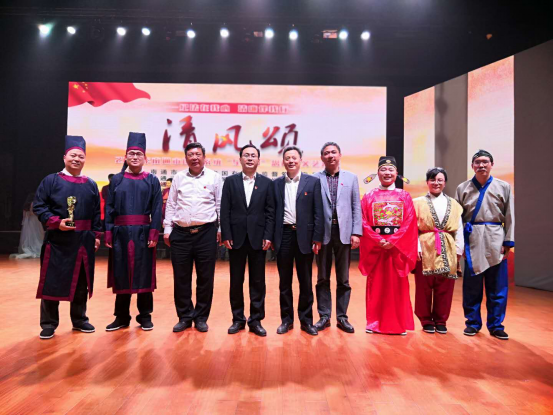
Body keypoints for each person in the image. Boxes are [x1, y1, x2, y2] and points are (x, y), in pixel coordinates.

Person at [33, 135, 102, 339]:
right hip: (58, 241)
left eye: (80, 156)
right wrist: (56, 222)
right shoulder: (51, 180)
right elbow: (39, 206)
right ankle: (48, 323)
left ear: (85, 159)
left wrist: (96, 235)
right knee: (52, 281)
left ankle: (80, 320)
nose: (76, 159)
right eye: (73, 155)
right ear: (64, 157)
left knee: (81, 282)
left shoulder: (90, 184)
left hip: (83, 240)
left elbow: (96, 213)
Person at [104, 132, 162, 332]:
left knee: (144, 273)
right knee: (121, 273)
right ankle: (121, 317)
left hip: (143, 233)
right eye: (132, 154)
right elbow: (109, 208)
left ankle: (145, 316)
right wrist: (108, 231)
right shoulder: (117, 180)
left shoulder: (152, 180)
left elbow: (157, 209)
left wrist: (154, 233)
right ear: (125, 157)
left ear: (145, 158)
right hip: (120, 233)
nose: (135, 157)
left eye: (139, 154)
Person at [455, 150, 514, 340]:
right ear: (472, 166)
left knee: (497, 286)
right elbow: (457, 219)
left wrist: (507, 242)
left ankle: (496, 325)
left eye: (485, 162)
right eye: (477, 162)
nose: (481, 165)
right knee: (472, 287)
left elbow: (510, 215)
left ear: (491, 164)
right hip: (472, 239)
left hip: (495, 238)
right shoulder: (463, 188)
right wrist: (460, 244)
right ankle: (472, 323)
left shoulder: (503, 186)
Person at [164, 142, 222, 333]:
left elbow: (220, 205)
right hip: (181, 234)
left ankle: (201, 318)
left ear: (204, 157)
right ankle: (185, 316)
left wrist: (221, 229)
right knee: (181, 278)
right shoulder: (179, 178)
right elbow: (171, 204)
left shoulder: (214, 177)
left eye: (198, 154)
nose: (195, 158)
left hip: (206, 233)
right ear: (186, 158)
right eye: (191, 154)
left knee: (205, 278)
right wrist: (167, 229)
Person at [220, 144, 275, 337]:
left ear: (259, 160)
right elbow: (224, 210)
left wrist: (268, 235)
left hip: (258, 239)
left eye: (253, 155)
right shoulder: (230, 182)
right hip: (236, 239)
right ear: (240, 159)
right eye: (246, 155)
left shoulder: (267, 183)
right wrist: (226, 235)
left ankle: (256, 320)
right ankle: (237, 319)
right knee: (236, 281)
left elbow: (270, 212)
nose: (250, 158)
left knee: (258, 281)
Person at [359, 156, 417, 335]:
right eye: (383, 169)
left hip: (396, 249)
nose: (387, 173)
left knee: (397, 287)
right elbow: (363, 221)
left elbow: (409, 222)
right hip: (376, 249)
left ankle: (397, 324)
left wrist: (393, 240)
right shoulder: (369, 196)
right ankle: (373, 323)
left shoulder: (404, 196)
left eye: (391, 170)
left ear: (397, 173)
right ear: (378, 173)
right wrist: (378, 239)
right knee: (376, 286)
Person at [273, 146, 323, 336]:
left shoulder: (313, 182)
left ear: (301, 160)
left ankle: (306, 320)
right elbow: (272, 212)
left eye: (294, 158)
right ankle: (286, 320)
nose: (291, 161)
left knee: (305, 281)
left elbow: (318, 212)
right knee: (284, 282)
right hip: (284, 235)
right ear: (283, 162)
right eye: (287, 158)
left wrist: (317, 238)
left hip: (305, 237)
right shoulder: (276, 184)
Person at [313, 142, 362, 333]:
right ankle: (324, 316)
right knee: (322, 277)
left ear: (340, 155)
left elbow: (356, 206)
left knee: (343, 278)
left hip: (344, 233)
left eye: (333, 152)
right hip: (322, 234)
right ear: (322, 158)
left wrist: (356, 232)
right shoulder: (315, 178)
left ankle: (342, 317)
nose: (330, 155)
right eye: (326, 153)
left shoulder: (351, 178)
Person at [413, 167, 464, 334]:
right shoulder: (417, 203)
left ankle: (441, 320)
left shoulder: (454, 205)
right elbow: (412, 228)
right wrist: (416, 247)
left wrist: (458, 249)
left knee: (445, 286)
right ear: (427, 182)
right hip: (425, 247)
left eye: (440, 180)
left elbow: (459, 228)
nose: (436, 183)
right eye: (433, 179)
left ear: (445, 183)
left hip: (448, 247)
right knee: (424, 286)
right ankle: (426, 320)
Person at [10, 192, 44, 259]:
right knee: (35, 234)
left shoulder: (25, 206)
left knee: (29, 235)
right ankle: (34, 247)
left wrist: (24, 222)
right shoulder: (33, 203)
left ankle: (30, 246)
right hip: (34, 220)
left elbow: (24, 215)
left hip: (28, 221)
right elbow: (32, 213)